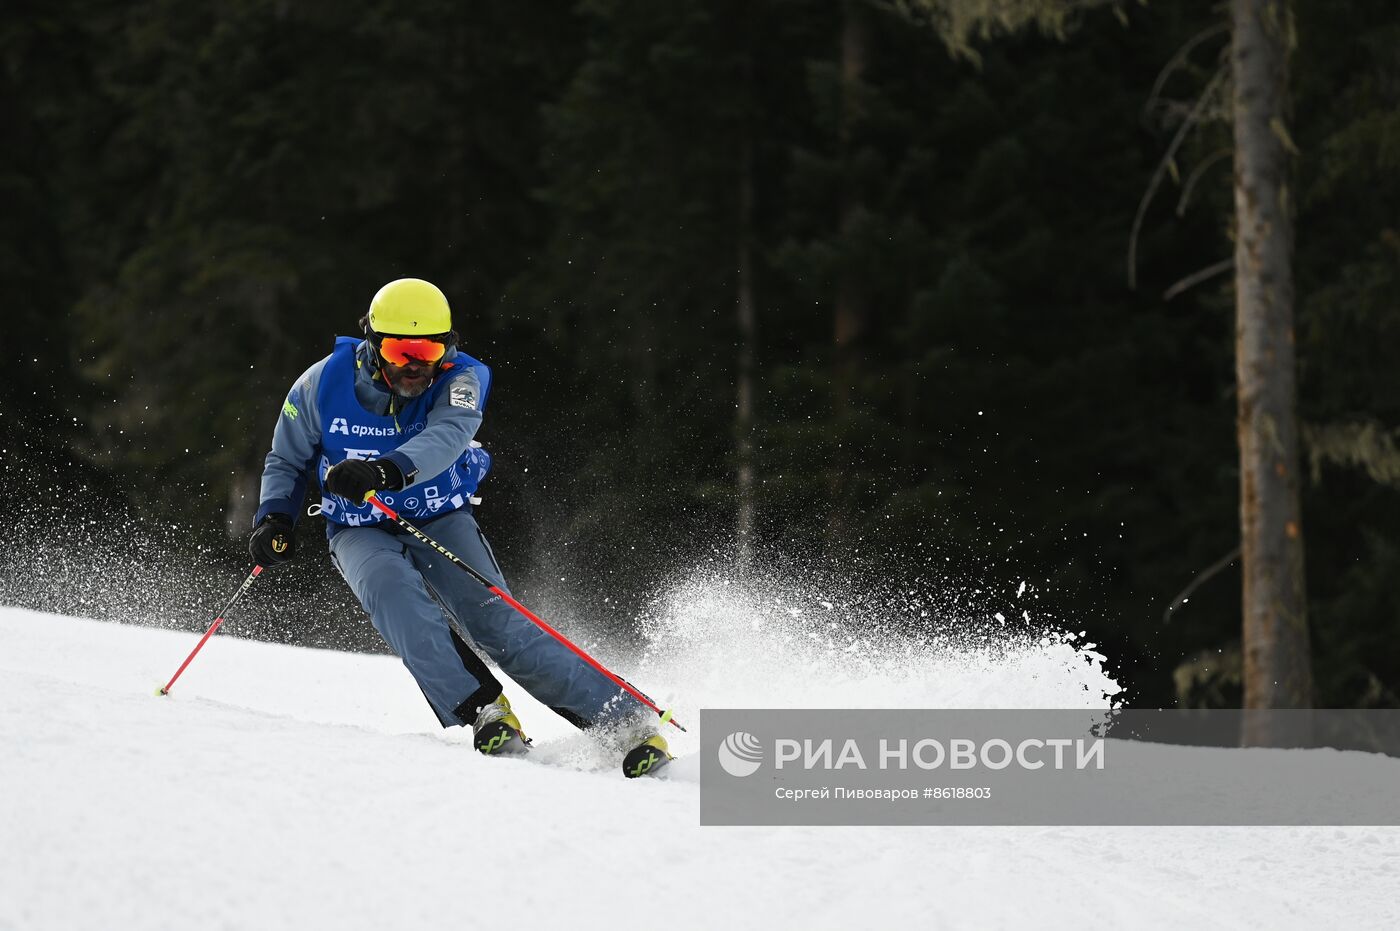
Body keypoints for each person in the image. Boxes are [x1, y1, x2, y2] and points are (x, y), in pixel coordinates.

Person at [247, 277, 669, 772]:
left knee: (497, 622)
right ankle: (486, 712)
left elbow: (448, 435)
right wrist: (274, 516)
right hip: (360, 524)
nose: (416, 363)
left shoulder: (463, 378)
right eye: (402, 349)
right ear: (373, 343)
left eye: (430, 347)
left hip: (439, 514)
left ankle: (627, 722)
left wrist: (386, 470)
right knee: (393, 595)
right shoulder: (321, 384)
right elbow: (287, 460)